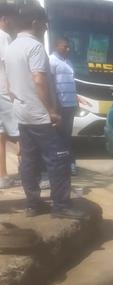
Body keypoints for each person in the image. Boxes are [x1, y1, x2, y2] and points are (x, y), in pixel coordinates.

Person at [5, 5, 84, 219]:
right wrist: (52, 111)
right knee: (58, 159)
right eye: (44, 23)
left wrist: (18, 101)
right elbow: (39, 79)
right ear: (35, 23)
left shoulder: (11, 48)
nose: (46, 27)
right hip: (41, 116)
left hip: (23, 114)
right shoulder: (35, 47)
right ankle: (61, 207)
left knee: (30, 160)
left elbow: (8, 84)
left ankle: (33, 204)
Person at [49, 37, 77, 176]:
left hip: (70, 105)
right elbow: (51, 85)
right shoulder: (51, 61)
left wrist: (76, 100)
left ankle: (68, 163)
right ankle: (61, 164)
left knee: (67, 135)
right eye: (65, 46)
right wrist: (55, 106)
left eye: (68, 46)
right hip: (60, 105)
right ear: (56, 46)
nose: (68, 49)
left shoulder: (69, 62)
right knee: (58, 136)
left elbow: (71, 83)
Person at [0, 4, 19, 189]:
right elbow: (11, 65)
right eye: (12, 19)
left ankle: (2, 176)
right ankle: (30, 173)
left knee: (1, 136)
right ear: (5, 19)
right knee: (21, 134)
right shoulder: (5, 37)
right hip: (4, 93)